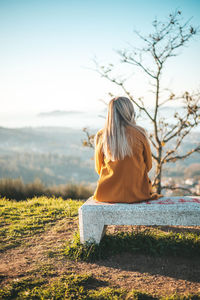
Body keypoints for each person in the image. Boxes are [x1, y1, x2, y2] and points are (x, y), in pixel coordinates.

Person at [93, 96, 162, 203]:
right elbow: (148, 165)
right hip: (138, 194)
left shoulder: (102, 135)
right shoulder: (140, 133)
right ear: (130, 112)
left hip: (105, 194)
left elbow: (99, 168)